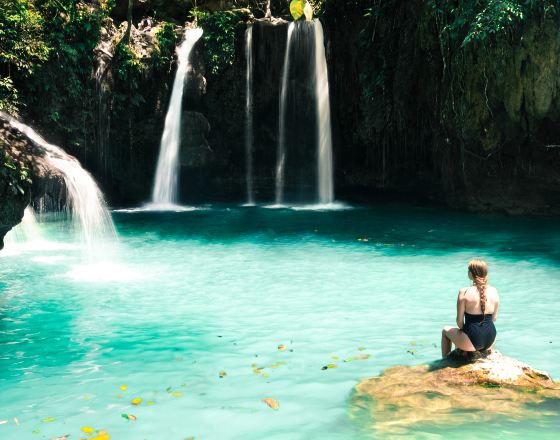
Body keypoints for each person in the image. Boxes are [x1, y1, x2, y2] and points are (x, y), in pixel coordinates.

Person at [441, 258, 499, 358]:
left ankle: (445, 361)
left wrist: (467, 336)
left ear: (471, 274)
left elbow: (459, 322)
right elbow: (494, 319)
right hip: (490, 339)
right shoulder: (494, 291)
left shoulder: (464, 291)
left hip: (471, 341)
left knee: (445, 331)